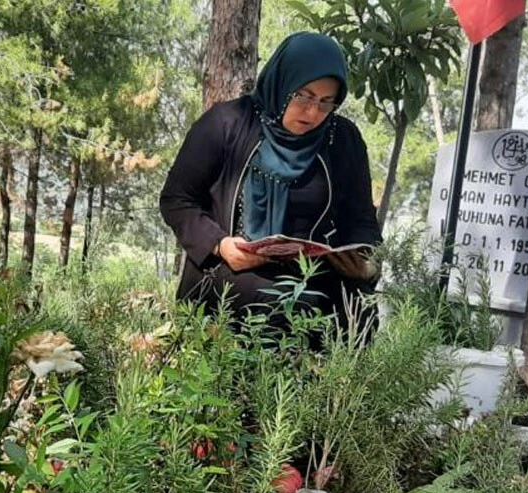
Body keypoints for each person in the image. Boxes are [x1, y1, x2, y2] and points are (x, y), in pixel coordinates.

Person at [159, 31, 381, 328]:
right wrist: (220, 244)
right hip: (229, 283)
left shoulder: (342, 139)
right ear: (282, 83)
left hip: (313, 292)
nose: (313, 112)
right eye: (303, 96)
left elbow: (361, 219)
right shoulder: (227, 123)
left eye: (327, 102)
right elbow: (177, 200)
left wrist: (363, 260)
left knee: (347, 322)